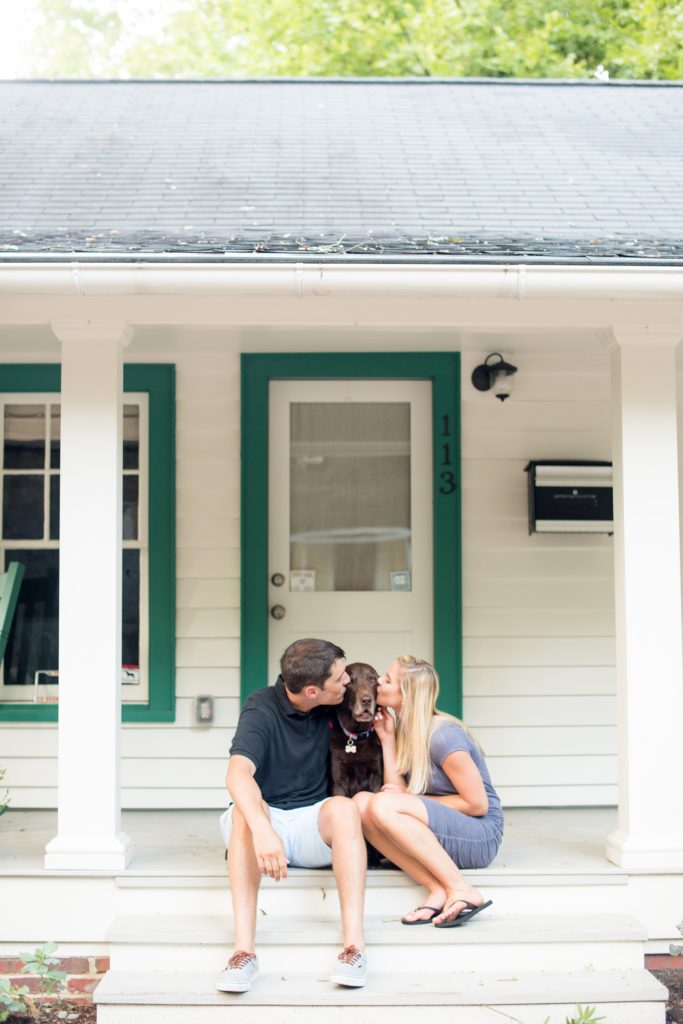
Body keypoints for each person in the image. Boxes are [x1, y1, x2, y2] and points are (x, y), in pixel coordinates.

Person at [216, 638, 369, 993]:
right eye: (340, 678)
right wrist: (263, 830)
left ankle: (354, 949)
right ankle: (243, 954)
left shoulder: (337, 700)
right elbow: (237, 774)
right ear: (312, 691)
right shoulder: (262, 708)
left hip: (310, 822)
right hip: (262, 822)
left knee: (346, 809)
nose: (347, 681)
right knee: (244, 811)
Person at [355, 655, 503, 927]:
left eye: (387, 680)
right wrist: (387, 739)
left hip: (479, 835)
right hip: (444, 826)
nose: (378, 683)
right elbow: (396, 790)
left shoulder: (444, 736)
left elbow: (477, 805)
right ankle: (435, 888)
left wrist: (411, 799)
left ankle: (461, 888)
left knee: (381, 804)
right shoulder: (406, 730)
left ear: (407, 693)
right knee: (362, 804)